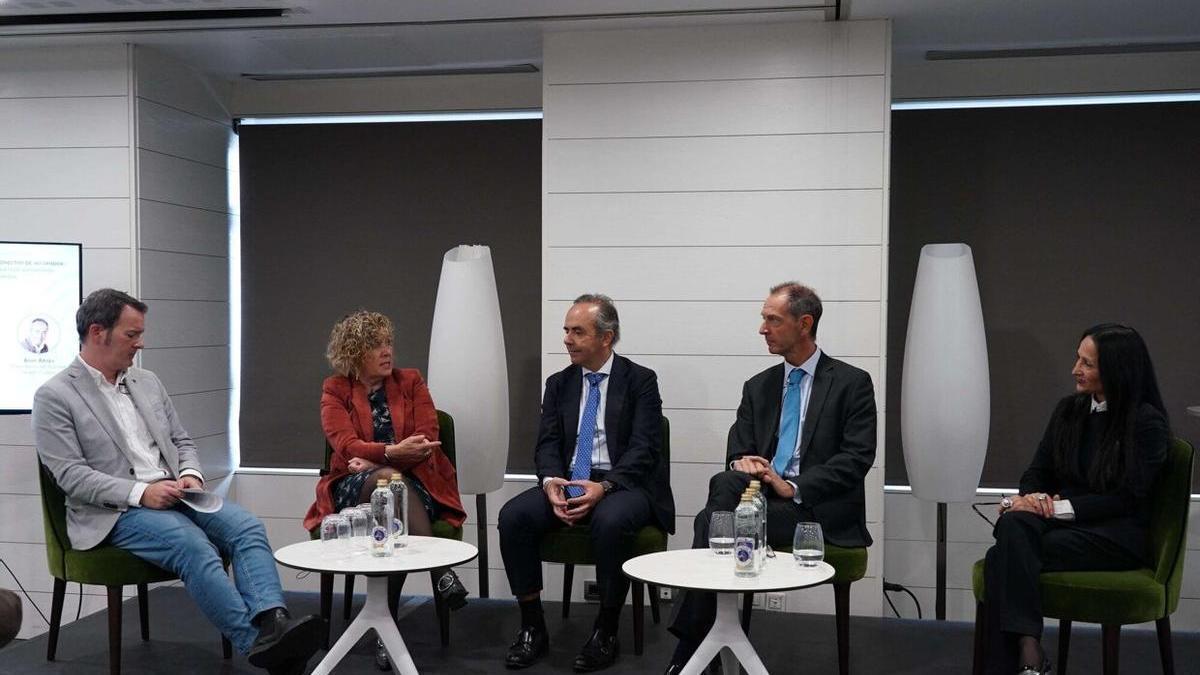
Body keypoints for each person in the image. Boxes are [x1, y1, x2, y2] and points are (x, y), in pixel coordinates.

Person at [32, 289, 320, 675]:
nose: (141, 343)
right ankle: (259, 644)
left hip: (177, 493)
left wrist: (190, 474)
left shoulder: (147, 382)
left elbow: (182, 441)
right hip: (115, 512)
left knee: (246, 526)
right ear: (98, 332)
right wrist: (142, 493)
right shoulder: (55, 396)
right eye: (131, 335)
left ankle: (274, 622)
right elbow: (71, 476)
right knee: (192, 545)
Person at [665, 282, 877, 674]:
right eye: (764, 319)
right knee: (725, 485)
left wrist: (792, 486)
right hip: (758, 499)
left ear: (804, 324)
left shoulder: (851, 383)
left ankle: (692, 652)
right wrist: (745, 465)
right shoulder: (759, 386)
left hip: (814, 511)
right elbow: (736, 450)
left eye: (772, 320)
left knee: (709, 521)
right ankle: (706, 646)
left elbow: (857, 458)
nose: (763, 329)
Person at [498, 294, 673, 672]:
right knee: (513, 516)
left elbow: (645, 448)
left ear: (606, 338)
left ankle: (606, 630)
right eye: (566, 330)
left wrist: (605, 487)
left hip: (625, 484)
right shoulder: (559, 383)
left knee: (611, 521)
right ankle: (532, 626)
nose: (567, 339)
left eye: (578, 332)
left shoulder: (640, 380)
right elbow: (546, 444)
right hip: (569, 479)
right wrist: (550, 483)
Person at [982, 324, 1170, 675]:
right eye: (1077, 359)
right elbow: (1037, 470)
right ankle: (1028, 650)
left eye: (1087, 363)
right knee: (1013, 527)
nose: (1075, 370)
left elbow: (1126, 499)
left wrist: (1051, 509)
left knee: (1002, 555)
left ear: (1116, 371)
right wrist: (1033, 497)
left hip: (1114, 537)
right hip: (1063, 528)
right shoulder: (1068, 411)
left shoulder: (1146, 424)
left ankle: (1019, 657)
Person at [302, 310, 468, 670]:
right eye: (375, 344)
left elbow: (427, 439)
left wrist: (379, 460)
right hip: (352, 486)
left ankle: (383, 628)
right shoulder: (335, 389)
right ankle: (442, 573)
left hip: (414, 482)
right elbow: (344, 444)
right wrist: (389, 455)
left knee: (390, 492)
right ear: (354, 351)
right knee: (385, 485)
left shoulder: (411, 381)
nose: (386, 350)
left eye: (388, 342)